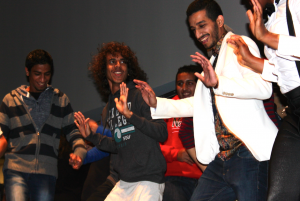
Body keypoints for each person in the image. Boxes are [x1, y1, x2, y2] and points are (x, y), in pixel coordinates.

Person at [134, 0, 278, 200]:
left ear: (219, 21)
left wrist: (219, 83)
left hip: (248, 152)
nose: (198, 34)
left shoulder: (240, 45)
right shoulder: (211, 63)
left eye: (202, 25)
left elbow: (264, 88)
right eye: (193, 29)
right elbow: (196, 105)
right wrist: (156, 103)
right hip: (223, 158)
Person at [75, 41, 168, 201]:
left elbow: (162, 133)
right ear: (103, 69)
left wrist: (130, 115)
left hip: (148, 180)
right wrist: (91, 136)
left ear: (129, 68)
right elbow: (118, 145)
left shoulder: (139, 94)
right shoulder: (109, 107)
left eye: (123, 61)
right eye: (112, 62)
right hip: (124, 182)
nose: (118, 66)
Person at [226, 0, 300, 200]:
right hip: (294, 110)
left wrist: (266, 37)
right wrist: (249, 59)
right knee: (280, 193)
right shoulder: (271, 20)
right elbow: (283, 74)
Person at [0, 49, 86, 201]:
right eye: (37, 73)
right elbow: (1, 135)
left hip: (46, 172)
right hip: (16, 170)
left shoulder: (60, 99)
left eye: (47, 74)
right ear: (27, 71)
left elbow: (73, 131)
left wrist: (79, 153)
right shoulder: (10, 100)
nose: (43, 79)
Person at [161, 65, 205, 201]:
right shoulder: (165, 108)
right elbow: (151, 145)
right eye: (180, 84)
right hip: (175, 178)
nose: (184, 88)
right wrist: (176, 154)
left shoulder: (207, 107)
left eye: (189, 83)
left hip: (205, 179)